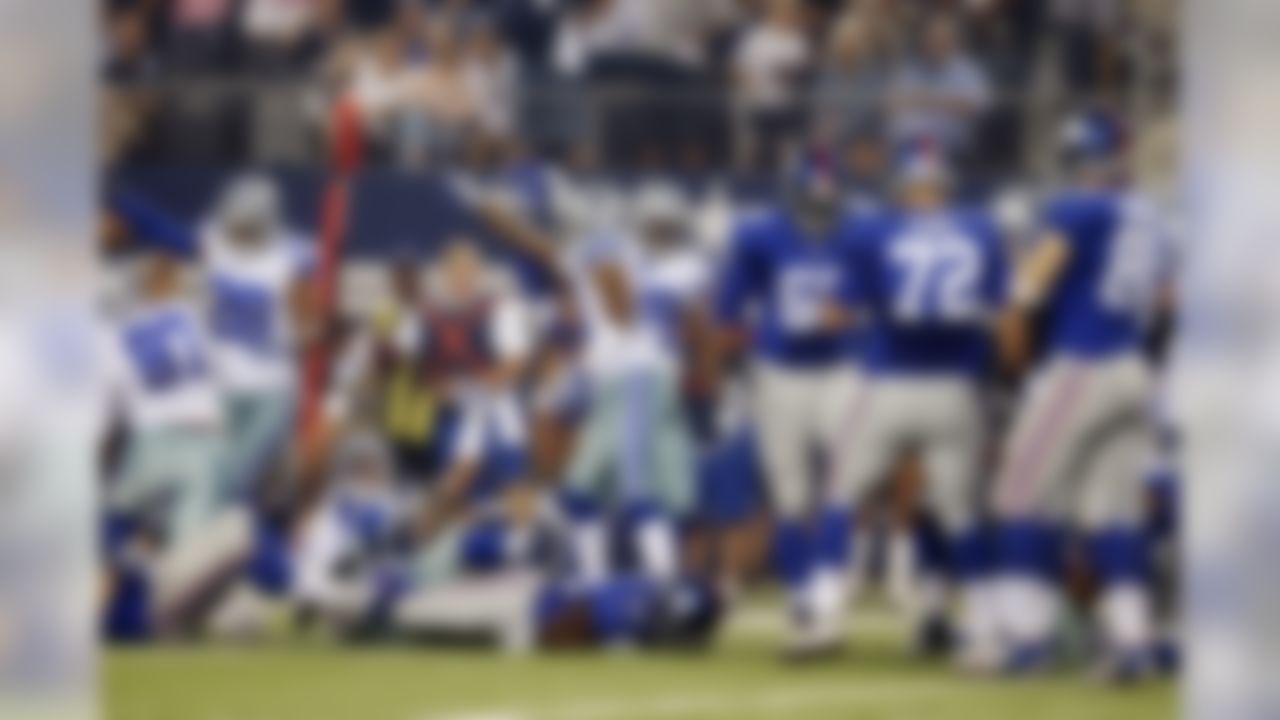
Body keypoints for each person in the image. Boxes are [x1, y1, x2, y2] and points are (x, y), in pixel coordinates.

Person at [988, 111, 1171, 681]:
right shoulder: (1151, 214)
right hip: (1135, 367)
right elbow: (1167, 300)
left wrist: (1014, 351)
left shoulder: (1076, 207)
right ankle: (1133, 640)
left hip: (1083, 363)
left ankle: (1027, 638)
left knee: (1021, 495)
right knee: (1111, 511)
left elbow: (1029, 288)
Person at [831, 150, 1008, 665]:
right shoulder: (981, 228)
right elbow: (1004, 309)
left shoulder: (874, 230)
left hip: (891, 380)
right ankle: (980, 625)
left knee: (843, 493)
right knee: (959, 513)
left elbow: (843, 308)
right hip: (959, 385)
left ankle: (825, 605)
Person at [715, 155, 860, 659]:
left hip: (844, 368)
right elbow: (726, 310)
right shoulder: (759, 235)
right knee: (791, 497)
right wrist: (764, 335)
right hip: (780, 372)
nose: (819, 214)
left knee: (845, 484)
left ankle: (825, 598)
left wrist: (856, 321)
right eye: (809, 203)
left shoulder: (861, 231)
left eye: (828, 203)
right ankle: (805, 602)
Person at [111, 174, 316, 509]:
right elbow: (172, 236)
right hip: (221, 383)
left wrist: (296, 332)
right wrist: (130, 207)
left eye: (242, 223)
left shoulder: (292, 256)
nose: (233, 228)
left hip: (269, 390)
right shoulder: (218, 240)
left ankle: (233, 542)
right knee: (206, 470)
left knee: (231, 475)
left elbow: (309, 326)